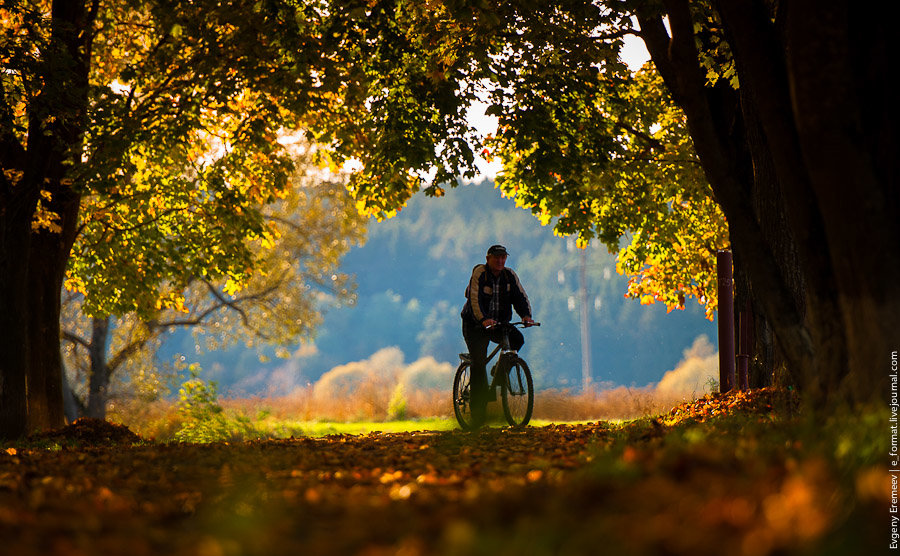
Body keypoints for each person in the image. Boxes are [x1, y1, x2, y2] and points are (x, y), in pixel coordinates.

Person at [460, 244, 534, 425]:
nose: (500, 261)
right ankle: (478, 416)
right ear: (488, 259)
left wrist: (526, 316)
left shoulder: (509, 275)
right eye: (496, 257)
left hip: (499, 323)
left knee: (517, 339)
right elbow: (475, 300)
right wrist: (483, 319)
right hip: (475, 325)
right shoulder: (480, 273)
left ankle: (500, 373)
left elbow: (520, 297)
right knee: (478, 365)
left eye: (503, 257)